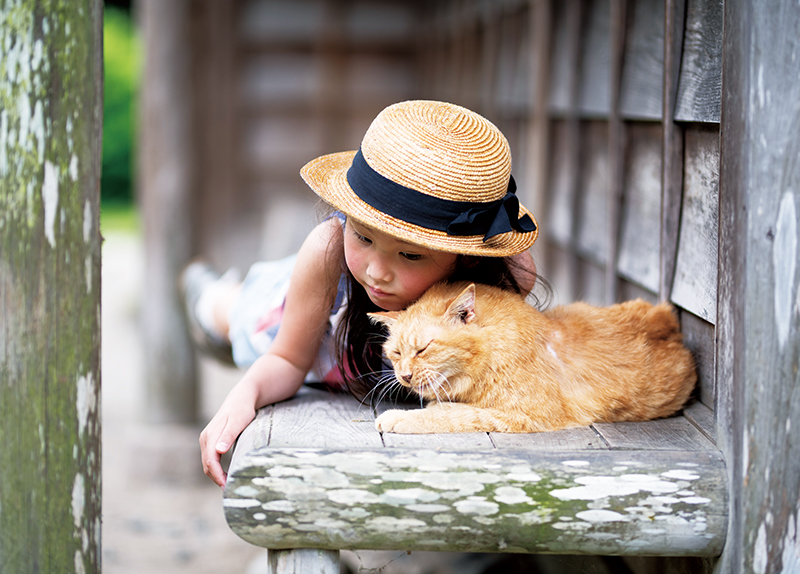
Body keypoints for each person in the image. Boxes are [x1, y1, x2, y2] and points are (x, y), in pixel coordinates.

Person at [188, 100, 542, 487]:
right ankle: (202, 287)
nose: (376, 272)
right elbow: (288, 359)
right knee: (232, 311)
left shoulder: (504, 283)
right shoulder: (330, 246)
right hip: (300, 319)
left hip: (352, 349)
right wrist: (245, 394)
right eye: (363, 235)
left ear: (469, 259)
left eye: (409, 254)